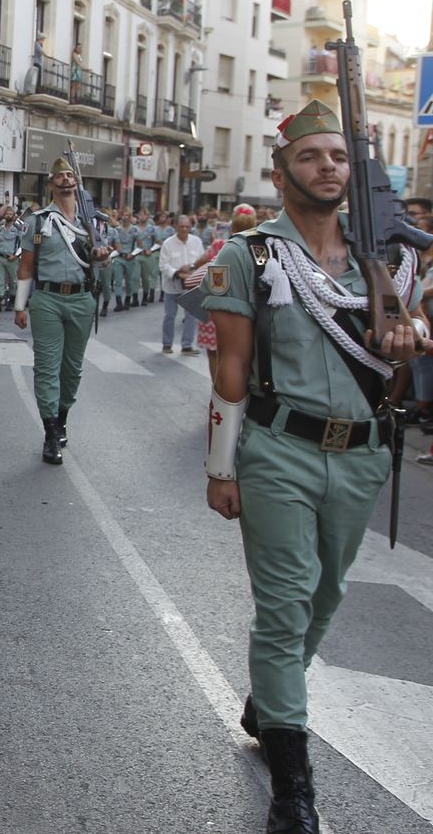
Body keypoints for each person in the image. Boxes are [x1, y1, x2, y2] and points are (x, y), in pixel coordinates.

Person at [201, 101, 426, 834]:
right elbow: (229, 367)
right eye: (310, 156)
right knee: (287, 603)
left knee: (325, 596)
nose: (326, 166)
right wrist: (220, 467)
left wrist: (413, 336)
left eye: (337, 155)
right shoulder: (252, 256)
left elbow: (414, 347)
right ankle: (294, 788)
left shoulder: (396, 259)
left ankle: (270, 703)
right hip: (278, 450)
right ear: (282, 171)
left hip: (361, 452)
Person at [13, 156, 109, 465]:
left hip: (82, 299)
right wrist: (19, 306)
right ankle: (50, 432)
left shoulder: (93, 222)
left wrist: (103, 257)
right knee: (46, 367)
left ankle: (62, 416)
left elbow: (103, 262)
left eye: (70, 175)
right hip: (48, 300)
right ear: (51, 184)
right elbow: (26, 267)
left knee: (72, 369)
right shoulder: (38, 221)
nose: (66, 179)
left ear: (76, 182)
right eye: (60, 176)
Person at [196, 205, 256, 379]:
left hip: (215, 310)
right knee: (240, 355)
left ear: (232, 225)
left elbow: (199, 263)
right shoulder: (260, 249)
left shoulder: (220, 245)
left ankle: (217, 391)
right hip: (245, 311)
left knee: (215, 354)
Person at [158, 215, 205, 355]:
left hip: (191, 286)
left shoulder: (196, 241)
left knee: (191, 316)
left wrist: (191, 270)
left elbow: (201, 262)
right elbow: (163, 265)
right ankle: (167, 344)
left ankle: (186, 345)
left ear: (190, 228)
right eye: (182, 226)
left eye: (187, 227)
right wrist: (178, 274)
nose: (184, 229)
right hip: (172, 286)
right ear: (176, 227)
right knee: (170, 316)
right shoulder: (168, 243)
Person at [0, 206, 24, 312]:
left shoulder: (18, 229)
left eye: (10, 214)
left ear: (14, 216)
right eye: (7, 214)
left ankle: (11, 300)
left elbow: (22, 244)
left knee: (13, 281)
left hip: (12, 257)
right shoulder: (0, 229)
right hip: (0, 256)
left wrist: (16, 255)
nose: (8, 216)